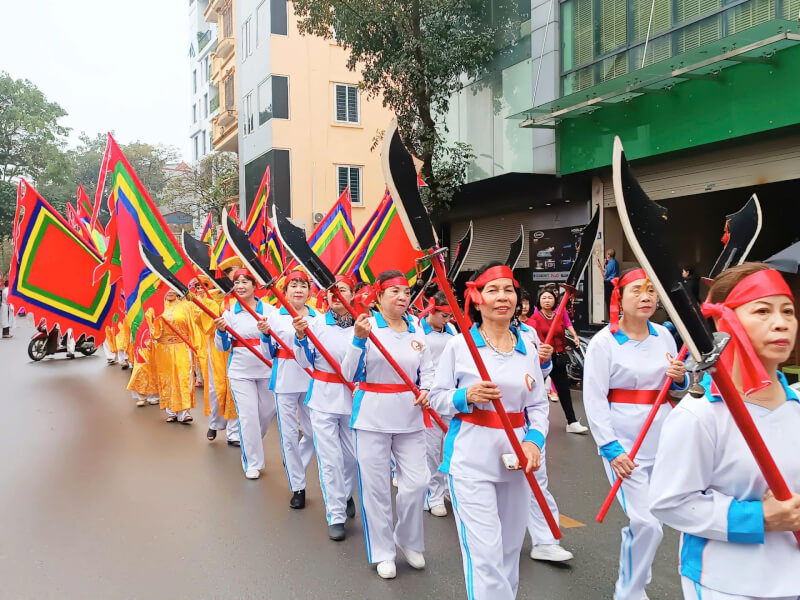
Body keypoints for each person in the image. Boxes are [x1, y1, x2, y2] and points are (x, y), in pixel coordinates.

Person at [649, 263, 800, 600]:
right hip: (727, 584)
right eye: (762, 310)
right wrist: (759, 518)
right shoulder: (700, 417)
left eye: (788, 311)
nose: (781, 323)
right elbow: (669, 501)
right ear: (723, 320)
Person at [427, 261, 558, 598]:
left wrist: (533, 442)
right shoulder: (461, 347)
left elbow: (538, 407)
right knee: (485, 556)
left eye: (509, 290)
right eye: (493, 290)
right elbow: (437, 398)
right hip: (471, 462)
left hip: (516, 463)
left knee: (509, 552)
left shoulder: (527, 347)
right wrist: (465, 395)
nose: (503, 297)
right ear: (478, 298)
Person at [583, 268, 688, 600]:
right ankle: (628, 591)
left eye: (651, 291)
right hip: (625, 445)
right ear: (620, 297)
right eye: (637, 291)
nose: (646, 297)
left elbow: (677, 389)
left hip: (664, 439)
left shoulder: (665, 335)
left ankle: (639, 575)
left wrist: (680, 378)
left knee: (660, 523)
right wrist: (611, 448)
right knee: (647, 524)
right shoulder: (604, 343)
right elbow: (594, 398)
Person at [341, 270, 431, 580]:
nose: (403, 297)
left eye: (406, 291)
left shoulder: (417, 330)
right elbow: (348, 372)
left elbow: (428, 371)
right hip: (372, 416)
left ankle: (406, 538)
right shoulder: (367, 327)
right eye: (394, 291)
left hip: (410, 415)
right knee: (376, 488)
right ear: (378, 297)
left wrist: (427, 390)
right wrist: (357, 340)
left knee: (418, 483)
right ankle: (383, 552)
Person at [293, 274, 358, 540]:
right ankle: (336, 513)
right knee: (329, 459)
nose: (335, 294)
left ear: (352, 295)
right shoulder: (314, 324)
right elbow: (303, 359)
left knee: (353, 457)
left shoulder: (363, 326)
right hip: (322, 398)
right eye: (331, 290)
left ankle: (345, 492)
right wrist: (299, 337)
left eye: (341, 289)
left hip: (354, 398)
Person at [215, 269, 276, 479]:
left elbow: (277, 341)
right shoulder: (229, 313)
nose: (240, 286)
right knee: (248, 416)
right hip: (240, 371)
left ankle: (252, 442)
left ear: (254, 284)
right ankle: (252, 461)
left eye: (245, 282)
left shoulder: (270, 310)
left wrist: (267, 333)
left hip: (267, 368)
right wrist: (221, 331)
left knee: (267, 413)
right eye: (237, 282)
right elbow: (222, 347)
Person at [266, 269, 318, 509]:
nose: (298, 289)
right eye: (293, 285)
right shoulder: (276, 317)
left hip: (311, 379)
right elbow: (268, 352)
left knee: (311, 433)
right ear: (285, 291)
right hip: (285, 378)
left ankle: (294, 462)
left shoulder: (319, 318)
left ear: (309, 291)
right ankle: (298, 486)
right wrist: (266, 336)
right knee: (288, 436)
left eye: (303, 285)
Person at [527, 286, 589, 434]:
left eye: (550, 298)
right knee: (535, 392)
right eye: (544, 298)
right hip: (541, 360)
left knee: (564, 391)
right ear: (539, 301)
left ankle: (572, 422)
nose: (547, 301)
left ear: (555, 300)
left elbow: (562, 334)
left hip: (558, 357)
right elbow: (533, 340)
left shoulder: (558, 316)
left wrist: (567, 344)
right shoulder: (534, 319)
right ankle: (531, 424)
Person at [418, 291, 456, 517]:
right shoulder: (417, 330)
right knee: (430, 452)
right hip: (427, 399)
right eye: (443, 314)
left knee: (451, 448)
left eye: (450, 315)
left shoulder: (452, 331)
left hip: (450, 398)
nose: (447, 319)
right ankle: (433, 495)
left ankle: (448, 488)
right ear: (431, 310)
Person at [192, 277, 239, 446]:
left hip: (237, 348)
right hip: (217, 349)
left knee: (235, 387)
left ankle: (233, 433)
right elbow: (205, 325)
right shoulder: (208, 298)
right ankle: (214, 423)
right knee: (216, 388)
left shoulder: (240, 298)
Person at [148, 290, 200, 423]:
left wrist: (197, 347)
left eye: (172, 288)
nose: (170, 291)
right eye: (166, 288)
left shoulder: (186, 305)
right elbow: (150, 328)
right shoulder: (154, 305)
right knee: (167, 378)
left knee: (184, 377)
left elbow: (195, 324)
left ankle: (184, 411)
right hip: (163, 348)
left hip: (182, 346)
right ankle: (171, 411)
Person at [126, 339, 160, 407]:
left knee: (153, 369)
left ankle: (153, 396)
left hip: (154, 340)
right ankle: (141, 396)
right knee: (140, 369)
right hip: (139, 338)